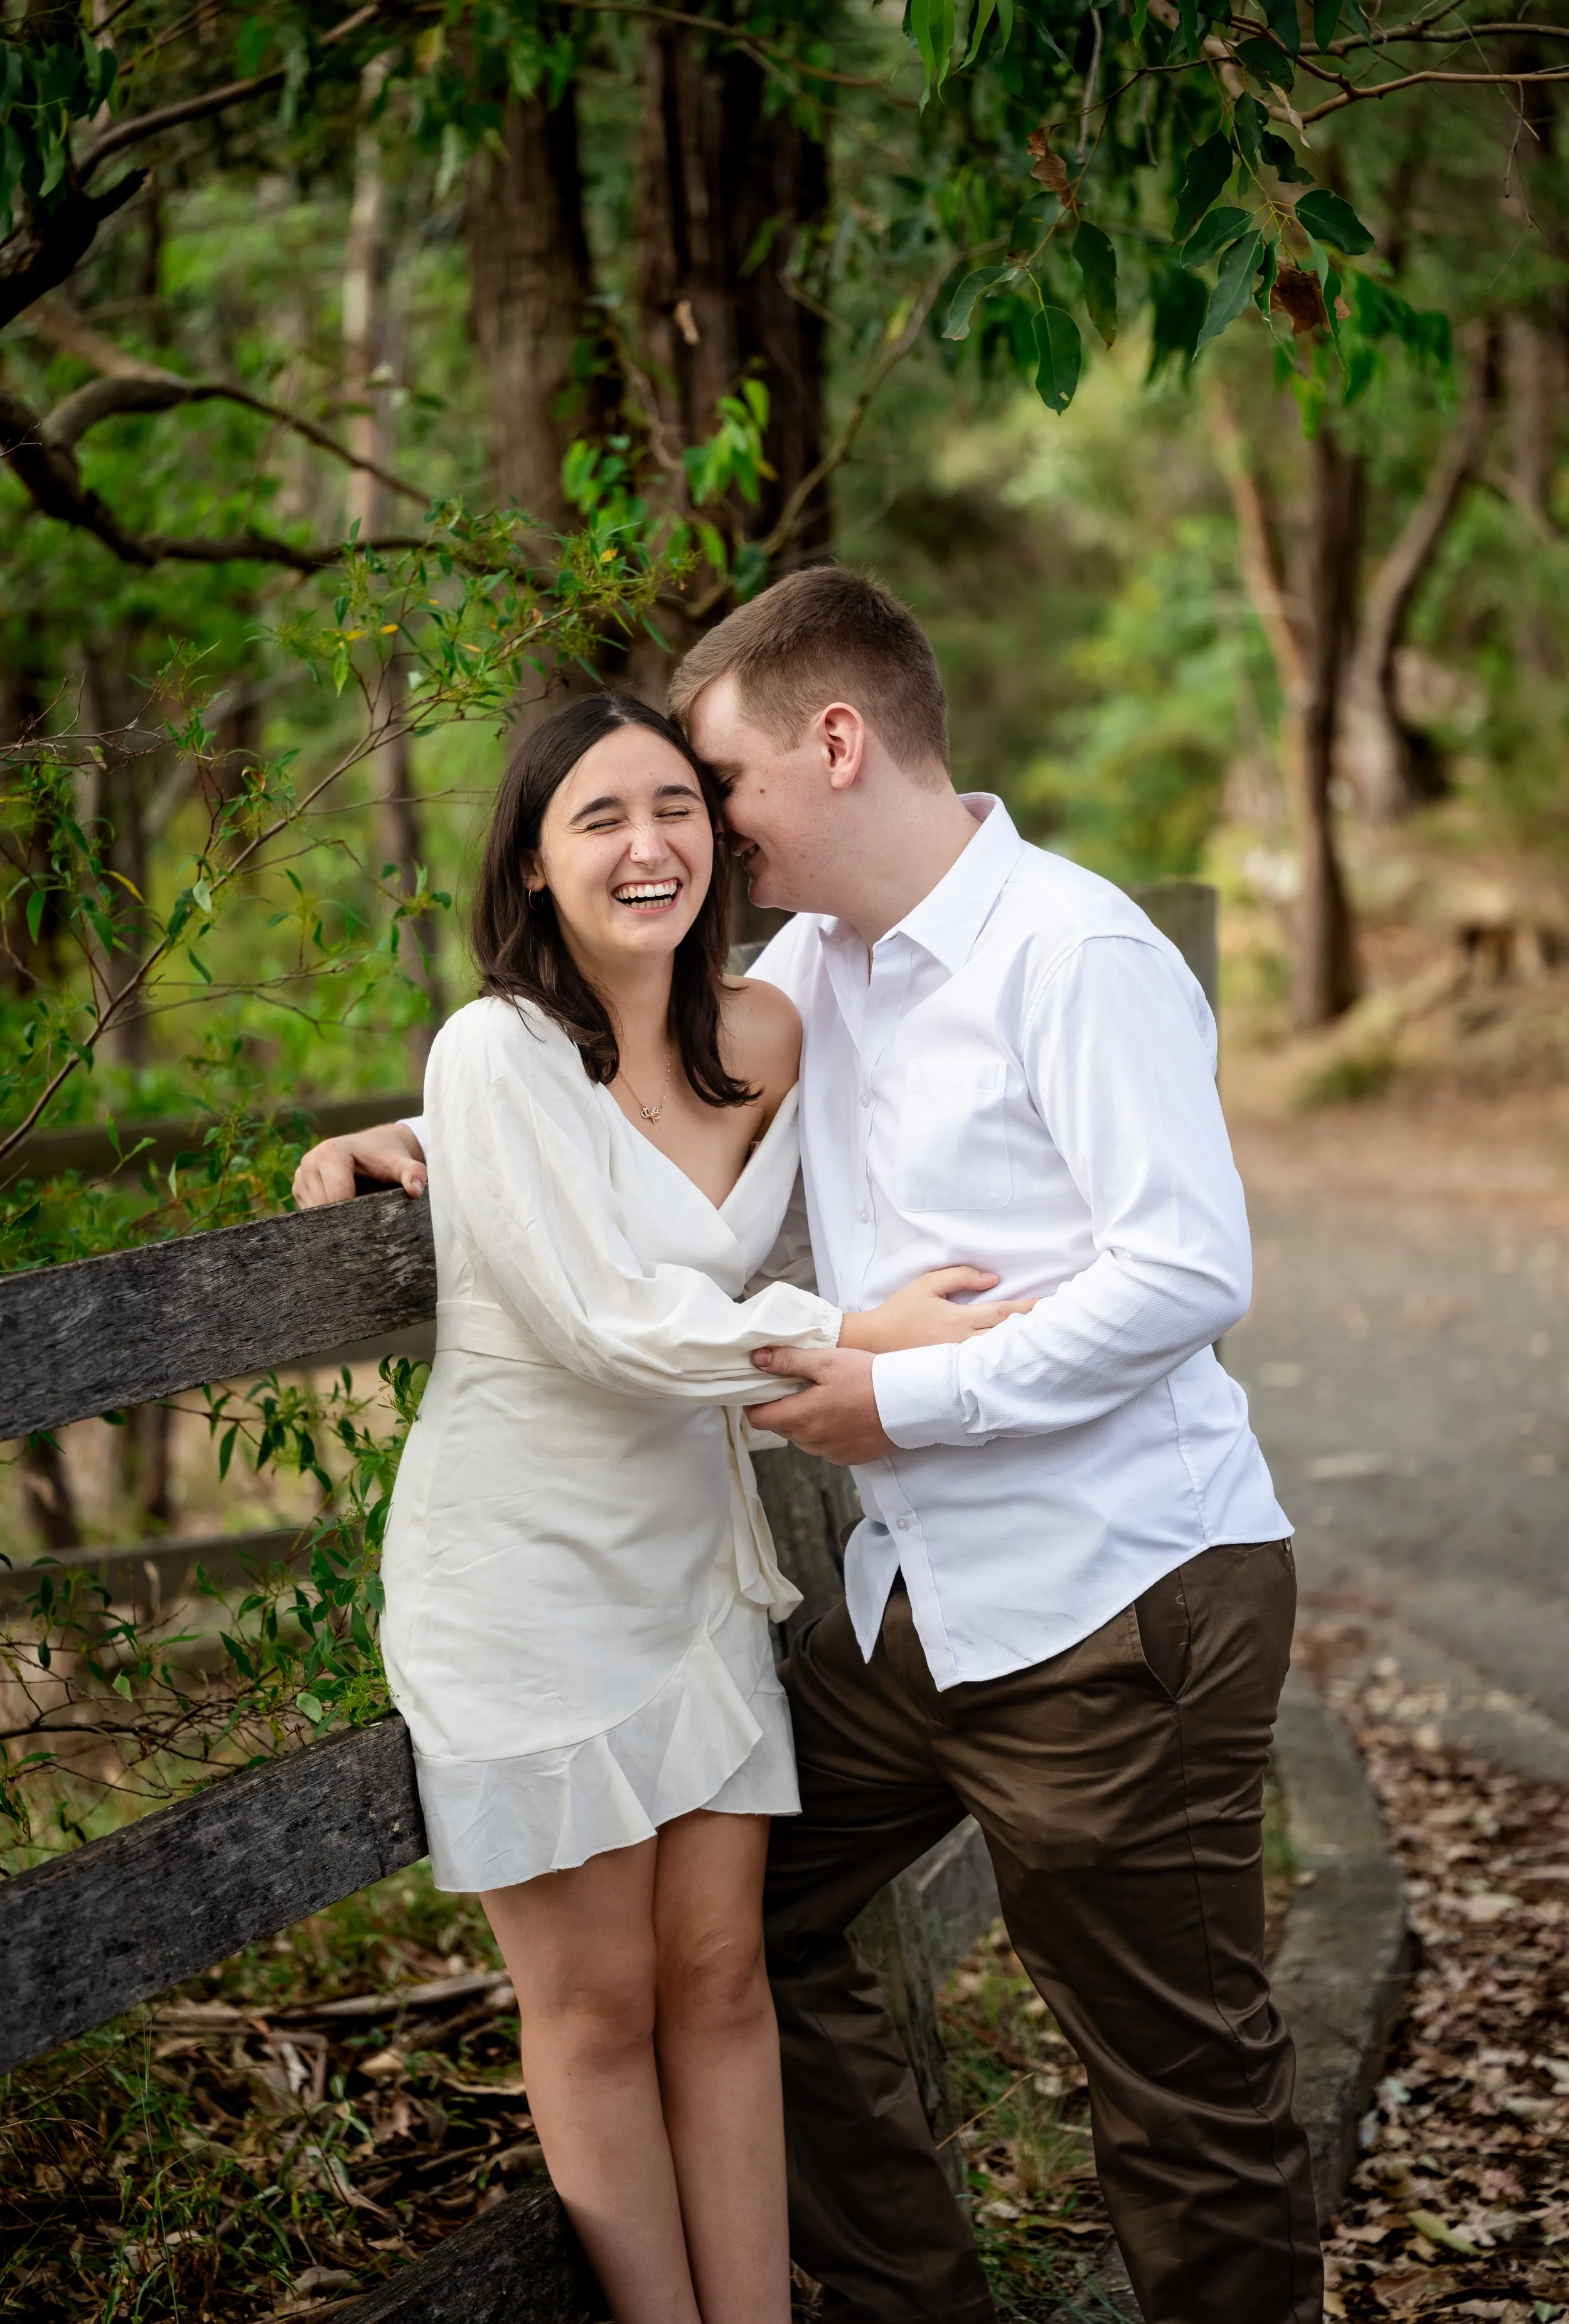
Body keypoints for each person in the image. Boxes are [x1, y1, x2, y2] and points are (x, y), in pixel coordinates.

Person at [297, 572, 1322, 2324]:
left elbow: (1183, 1271)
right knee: (758, 1933)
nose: (701, 834)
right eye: (637, 804)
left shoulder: (1066, 951)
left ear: (832, 743)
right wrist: (423, 1130)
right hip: (914, 1607)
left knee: (1174, 2085)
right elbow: (618, 1076)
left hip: (1111, 1602)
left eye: (715, 787)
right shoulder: (818, 969)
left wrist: (895, 1392)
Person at [332, 688, 1031, 2324]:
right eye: (599, 816)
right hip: (529, 1584)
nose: (648, 843)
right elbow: (607, 1317)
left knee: (720, 1980)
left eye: (675, 805)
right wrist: (866, 1335)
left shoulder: (765, 1032)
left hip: (695, 1584)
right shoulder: (491, 1046)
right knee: (594, 2004)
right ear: (529, 855)